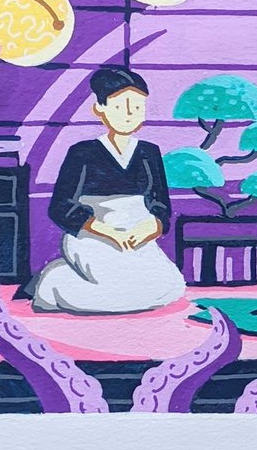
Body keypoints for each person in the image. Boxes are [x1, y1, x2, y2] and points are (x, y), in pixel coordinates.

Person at [28, 65, 186, 313]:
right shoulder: (82, 152)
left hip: (137, 232)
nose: (129, 114)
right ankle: (53, 284)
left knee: (168, 286)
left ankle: (64, 281)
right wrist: (107, 231)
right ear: (99, 108)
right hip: (93, 233)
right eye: (121, 106)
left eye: (137, 107)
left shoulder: (149, 152)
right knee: (113, 287)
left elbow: (161, 206)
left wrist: (150, 227)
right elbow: (60, 207)